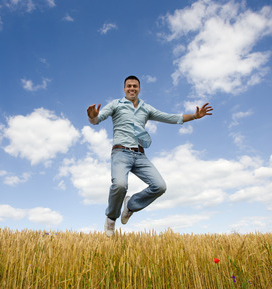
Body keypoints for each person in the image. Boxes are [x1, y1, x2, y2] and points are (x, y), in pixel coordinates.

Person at [87, 75, 213, 236]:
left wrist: (195, 116)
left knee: (160, 186)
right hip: (120, 153)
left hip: (140, 155)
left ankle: (131, 205)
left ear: (139, 89)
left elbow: (170, 118)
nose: (132, 88)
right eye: (129, 86)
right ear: (124, 89)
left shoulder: (145, 108)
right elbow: (97, 119)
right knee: (120, 185)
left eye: (135, 86)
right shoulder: (116, 105)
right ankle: (111, 219)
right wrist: (92, 116)